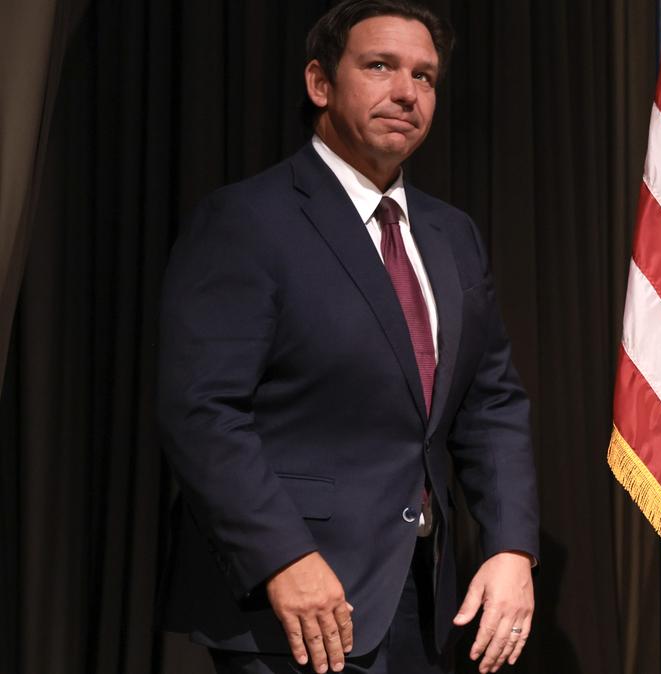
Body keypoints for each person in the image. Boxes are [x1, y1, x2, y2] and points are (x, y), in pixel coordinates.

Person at [156, 2, 538, 672]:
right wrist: (282, 556)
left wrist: (511, 548)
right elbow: (202, 412)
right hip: (296, 606)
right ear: (320, 84)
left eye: (424, 77)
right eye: (380, 66)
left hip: (426, 600)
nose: (406, 92)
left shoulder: (453, 237)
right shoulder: (247, 220)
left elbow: (491, 404)